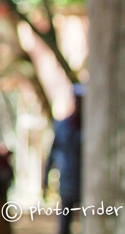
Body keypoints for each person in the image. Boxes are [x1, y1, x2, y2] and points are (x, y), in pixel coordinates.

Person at [44, 84, 83, 234]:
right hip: (68, 183)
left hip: (89, 183)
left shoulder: (92, 126)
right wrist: (45, 180)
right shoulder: (63, 126)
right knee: (65, 225)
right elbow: (53, 153)